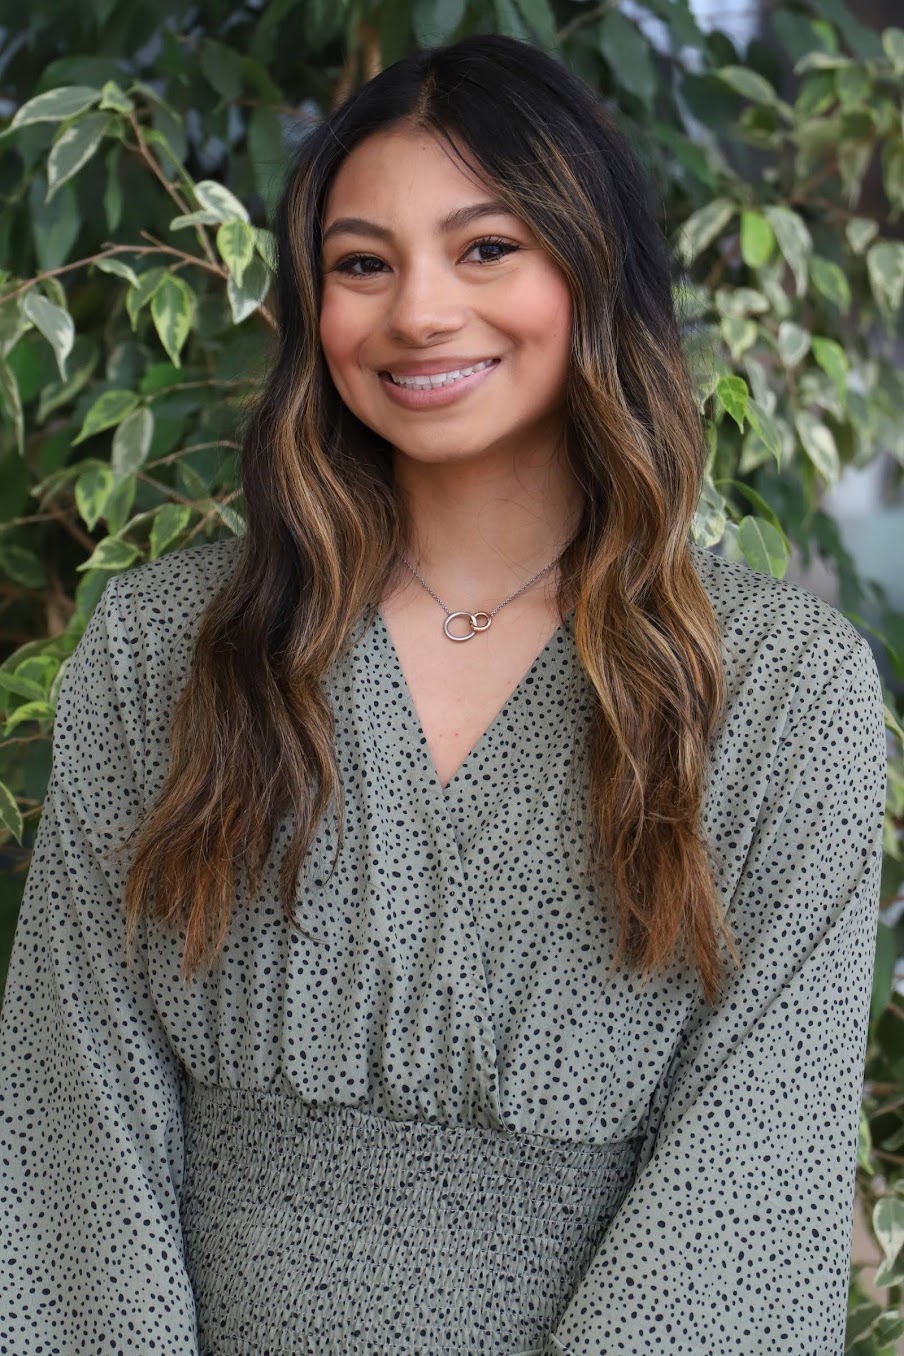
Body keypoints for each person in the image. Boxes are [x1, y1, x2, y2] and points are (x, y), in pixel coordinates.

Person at [0, 31, 888, 1356]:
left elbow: (749, 1192)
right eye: (363, 263)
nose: (418, 309)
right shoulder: (164, 649)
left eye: (486, 248)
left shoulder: (778, 694)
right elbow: (74, 1116)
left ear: (592, 274)